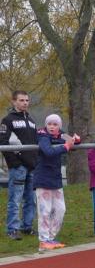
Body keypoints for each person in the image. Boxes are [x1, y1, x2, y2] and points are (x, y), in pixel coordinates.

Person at [33, 114, 78, 251]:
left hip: (56, 179)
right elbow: (48, 151)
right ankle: (43, 240)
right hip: (43, 178)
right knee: (45, 211)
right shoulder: (42, 135)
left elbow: (72, 142)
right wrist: (65, 147)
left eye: (55, 124)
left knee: (60, 210)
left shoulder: (61, 134)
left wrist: (76, 139)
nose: (52, 127)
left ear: (59, 126)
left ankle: (51, 237)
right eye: (49, 124)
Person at [0, 90, 38, 240]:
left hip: (32, 167)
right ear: (14, 101)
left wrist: (35, 162)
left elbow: (36, 143)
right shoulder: (7, 120)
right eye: (21, 100)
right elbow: (3, 143)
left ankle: (27, 227)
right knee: (15, 199)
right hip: (18, 168)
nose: (25, 103)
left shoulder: (32, 121)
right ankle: (12, 229)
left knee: (31, 199)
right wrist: (15, 164)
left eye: (27, 100)